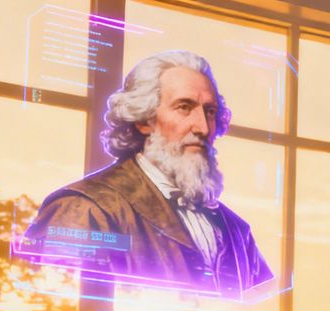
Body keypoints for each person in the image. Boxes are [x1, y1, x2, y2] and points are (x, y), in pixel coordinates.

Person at [20, 50, 271, 298]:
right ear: (143, 120)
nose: (203, 127)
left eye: (211, 112)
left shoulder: (237, 230)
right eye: (184, 107)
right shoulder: (83, 209)